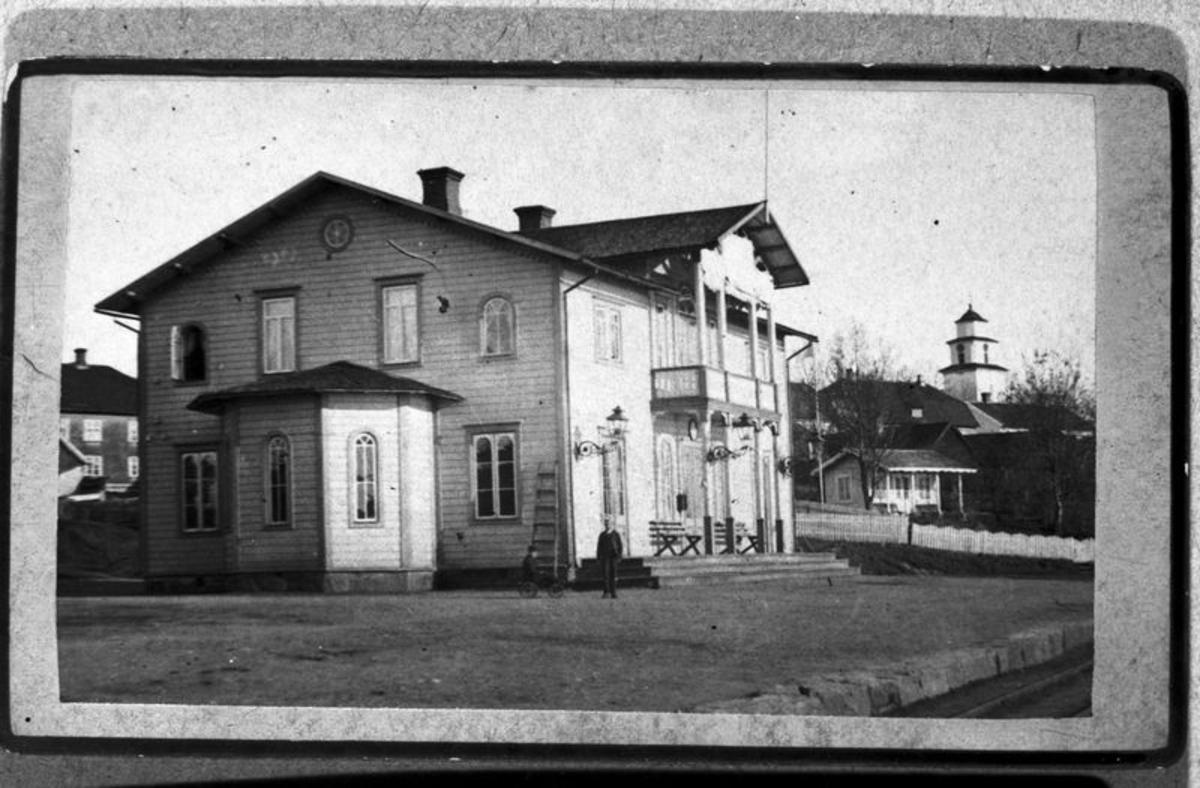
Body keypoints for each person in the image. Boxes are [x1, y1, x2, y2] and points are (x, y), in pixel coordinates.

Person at [596, 521, 623, 598]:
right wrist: (598, 557)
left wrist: (619, 556)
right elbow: (599, 547)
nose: (607, 525)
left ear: (612, 525)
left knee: (614, 575)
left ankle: (614, 592)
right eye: (606, 524)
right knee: (606, 575)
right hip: (605, 558)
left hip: (613, 557)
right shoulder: (602, 535)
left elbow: (620, 546)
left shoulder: (616, 534)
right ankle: (606, 592)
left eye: (609, 524)